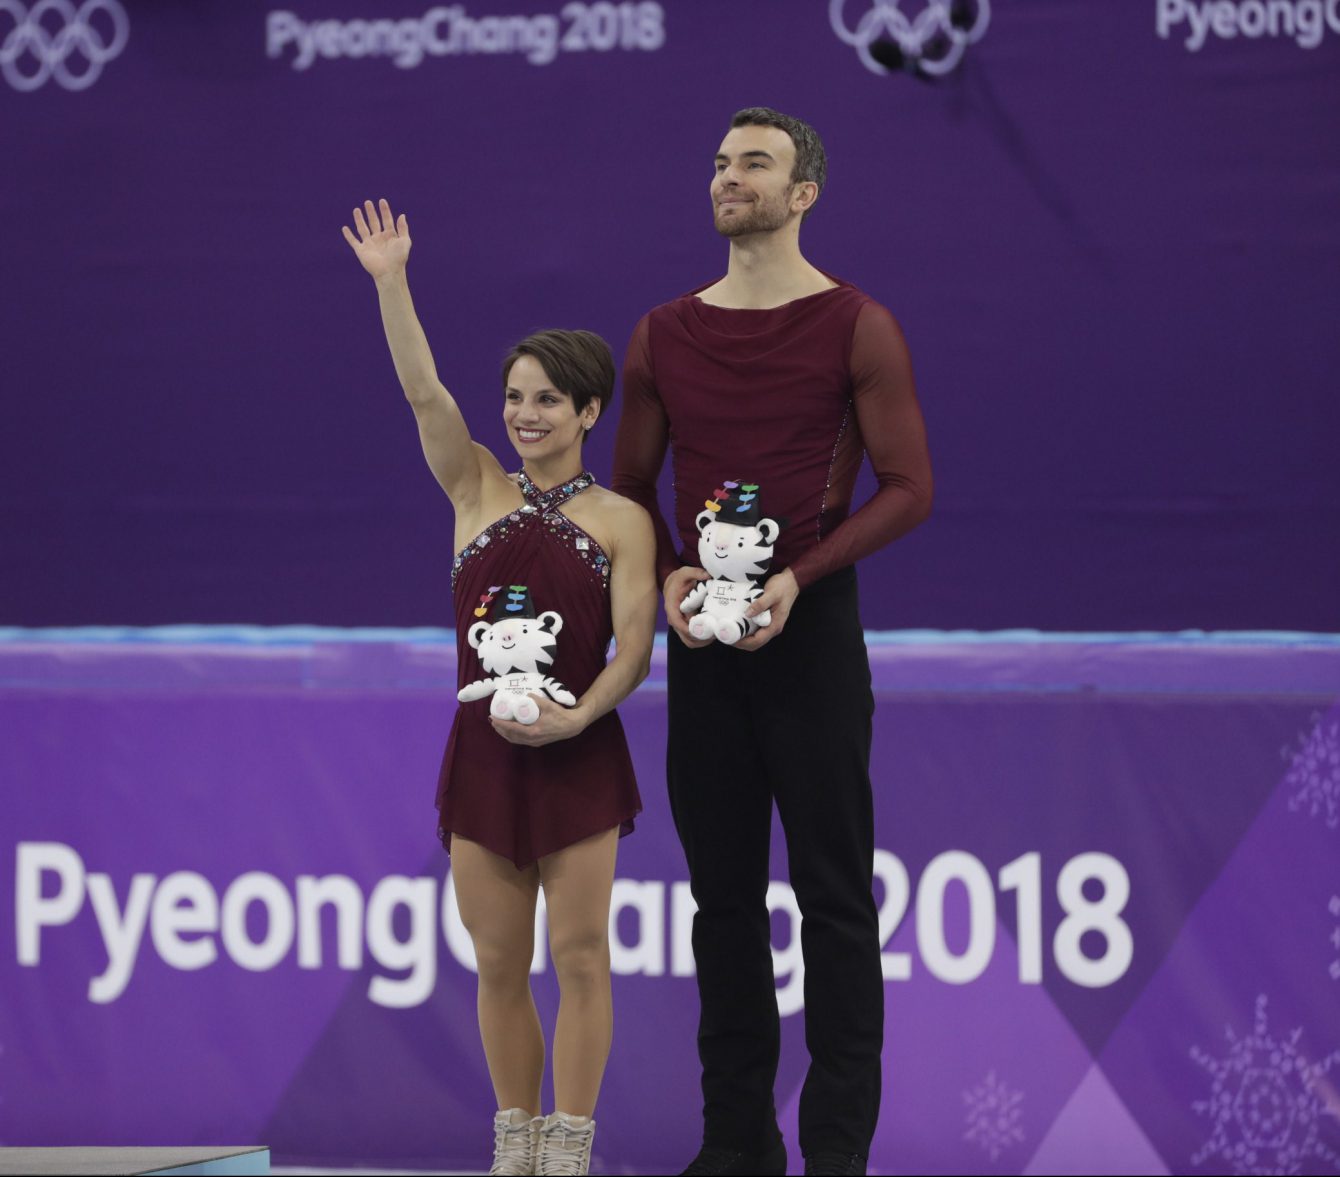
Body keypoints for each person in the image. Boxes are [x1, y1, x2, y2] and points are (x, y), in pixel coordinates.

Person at [611, 109, 933, 1177]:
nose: (727, 176)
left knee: (835, 900)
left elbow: (909, 489)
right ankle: (733, 1146)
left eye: (754, 162)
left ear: (803, 194)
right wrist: (669, 572)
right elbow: (629, 491)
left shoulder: (855, 324)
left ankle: (836, 1152)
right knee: (719, 904)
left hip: (811, 634)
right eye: (717, 161)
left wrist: (797, 579)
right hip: (705, 649)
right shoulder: (660, 332)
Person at [343, 198, 657, 1177]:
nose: (523, 414)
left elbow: (638, 644)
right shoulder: (472, 485)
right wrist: (392, 281)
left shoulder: (621, 521)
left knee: (578, 957)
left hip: (580, 752)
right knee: (494, 961)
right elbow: (424, 393)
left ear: (588, 412)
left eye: (546, 400)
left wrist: (579, 714)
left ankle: (568, 1146)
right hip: (480, 757)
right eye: (514, 396)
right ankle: (513, 1142)